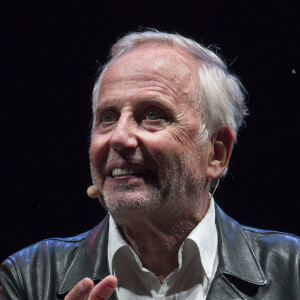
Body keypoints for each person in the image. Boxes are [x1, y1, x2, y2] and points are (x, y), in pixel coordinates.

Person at [0, 30, 299, 300]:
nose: (119, 137)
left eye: (153, 114)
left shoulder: (293, 272)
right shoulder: (27, 279)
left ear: (216, 152)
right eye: (107, 117)